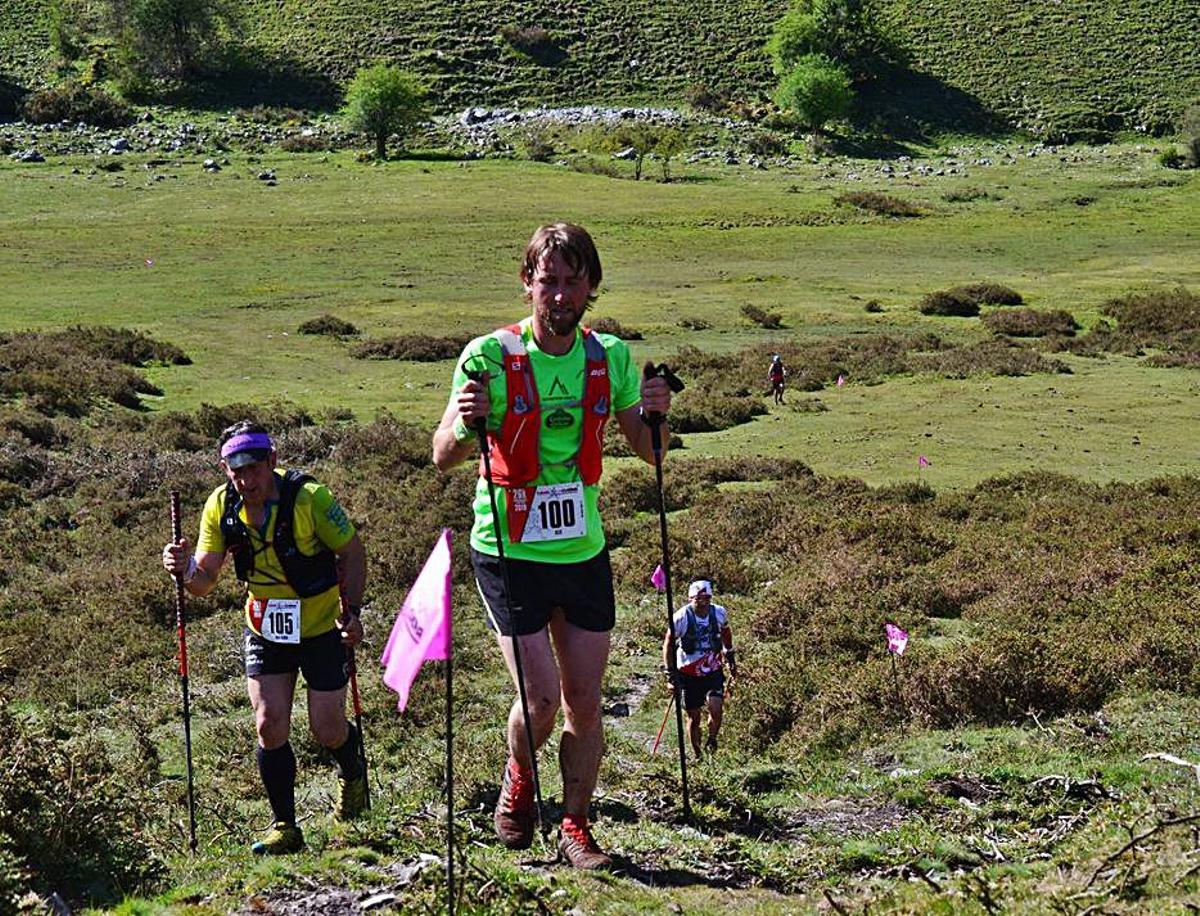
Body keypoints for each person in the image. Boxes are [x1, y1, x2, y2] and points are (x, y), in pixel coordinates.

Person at [431, 222, 674, 870]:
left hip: (581, 549)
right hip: (508, 547)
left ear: (591, 286)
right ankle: (519, 776)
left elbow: (649, 455)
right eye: (548, 283)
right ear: (527, 284)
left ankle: (575, 825)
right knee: (539, 702)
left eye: (573, 283)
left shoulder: (610, 358)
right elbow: (442, 455)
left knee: (585, 703)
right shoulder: (487, 356)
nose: (560, 297)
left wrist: (657, 414)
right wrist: (465, 420)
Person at [161, 421, 367, 855]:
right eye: (235, 471)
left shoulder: (310, 498)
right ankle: (285, 827)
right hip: (266, 627)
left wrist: (353, 613)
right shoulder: (221, 506)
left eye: (253, 468)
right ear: (224, 469)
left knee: (328, 729)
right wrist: (182, 570)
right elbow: (204, 581)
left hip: (322, 625)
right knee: (268, 724)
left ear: (272, 461)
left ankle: (353, 776)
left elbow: (352, 551)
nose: (245, 479)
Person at [662, 579, 737, 760]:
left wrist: (729, 654)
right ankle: (697, 755)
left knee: (716, 708)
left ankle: (712, 739)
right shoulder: (680, 617)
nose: (702, 602)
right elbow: (669, 644)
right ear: (690, 598)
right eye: (698, 598)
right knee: (694, 718)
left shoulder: (719, 613)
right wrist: (670, 675)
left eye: (706, 598)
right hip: (688, 673)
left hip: (712, 669)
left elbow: (726, 633)